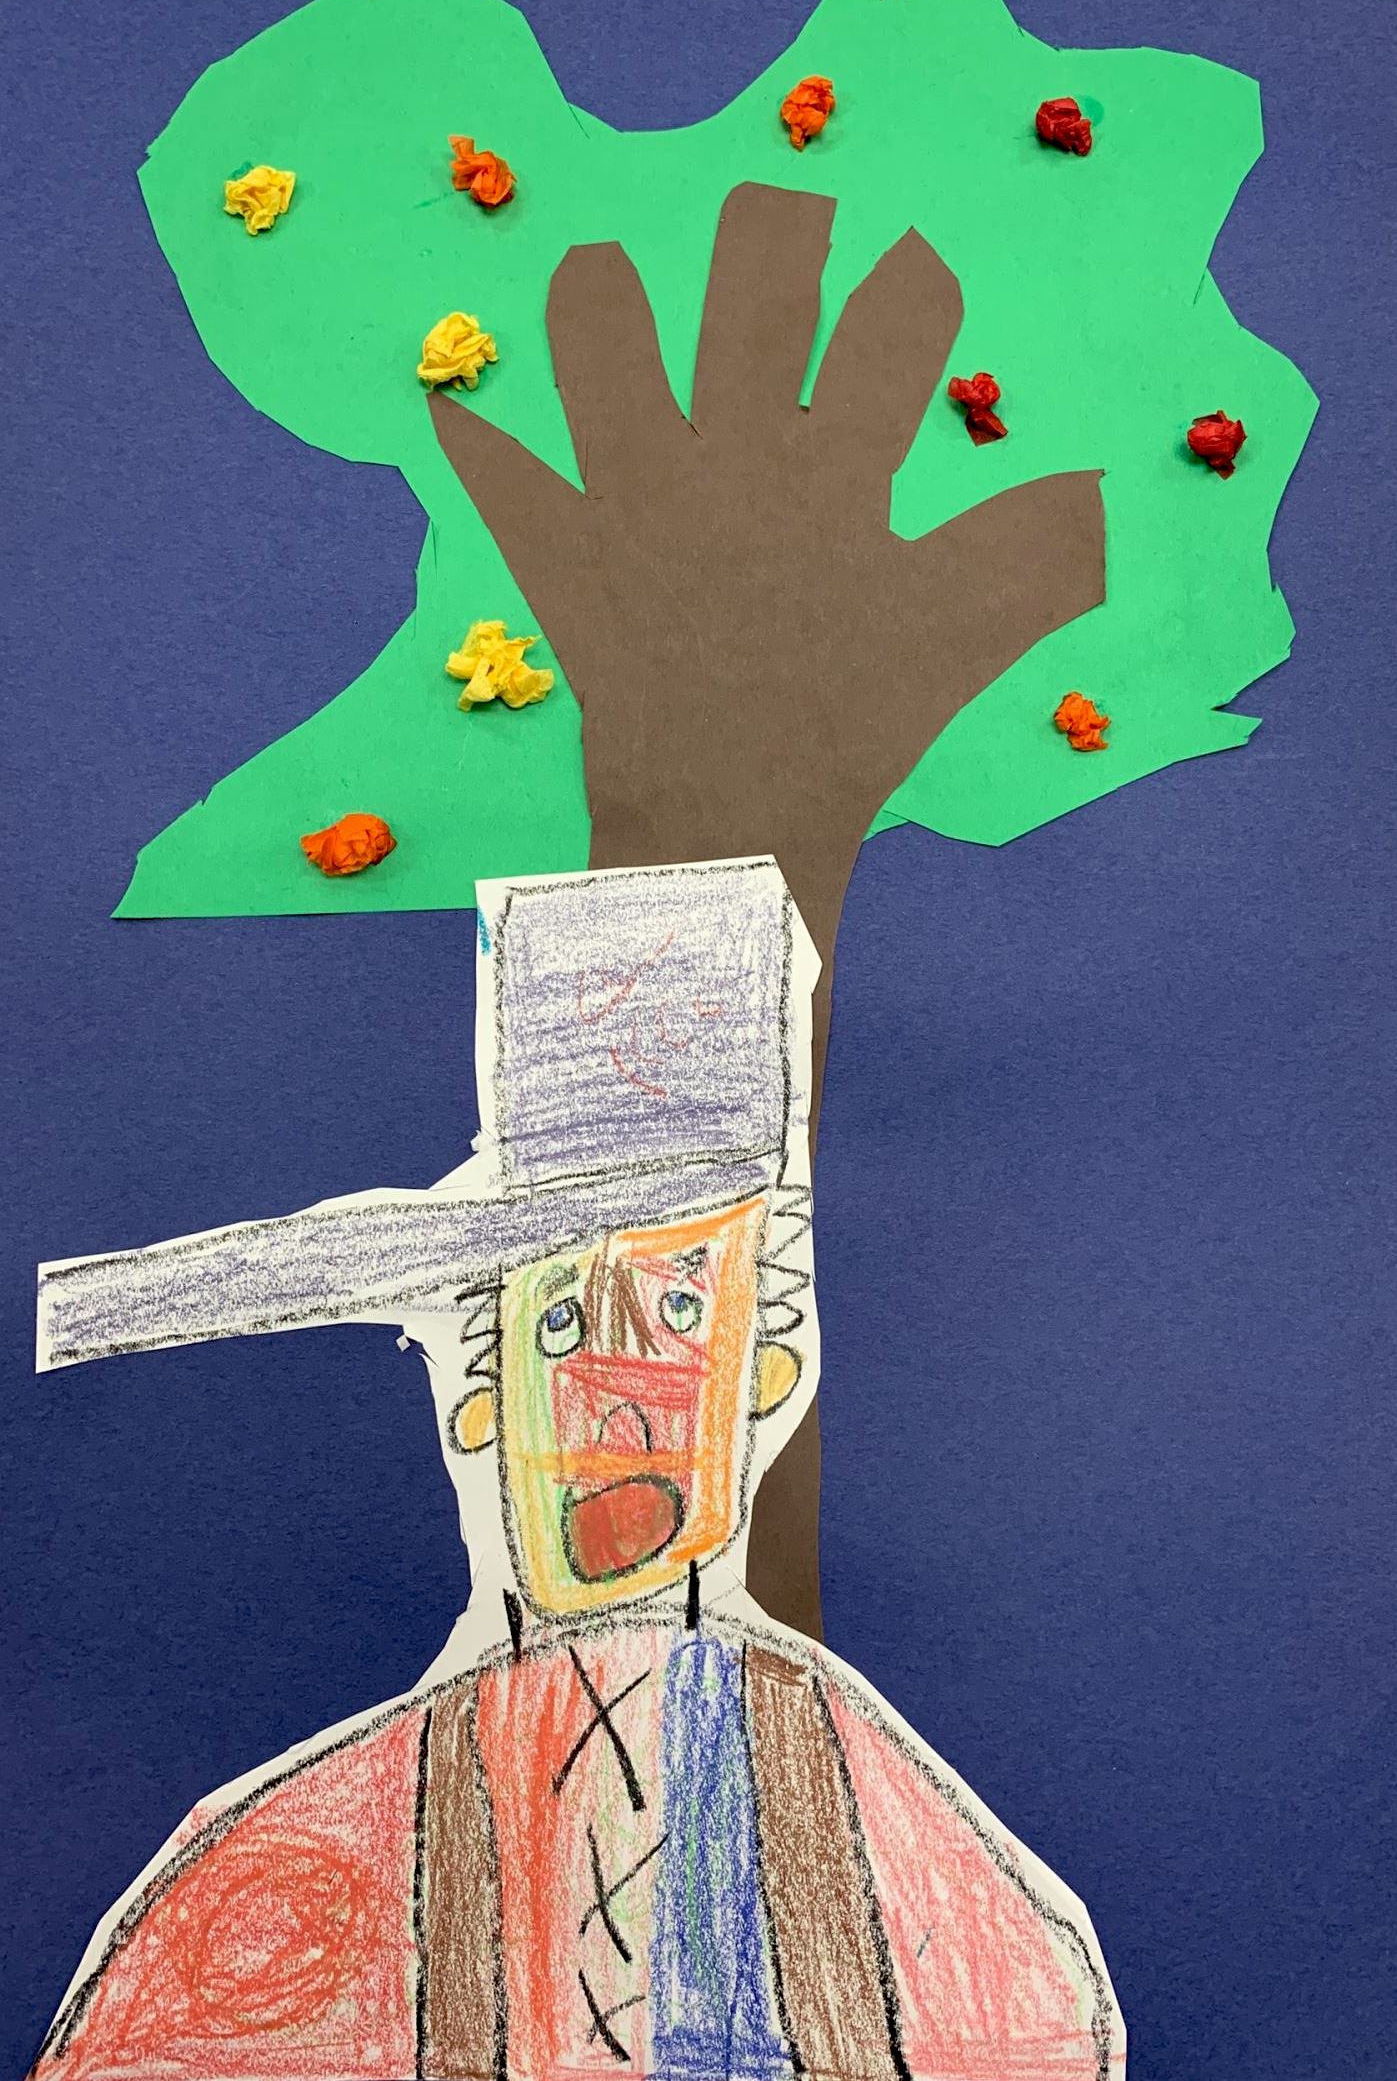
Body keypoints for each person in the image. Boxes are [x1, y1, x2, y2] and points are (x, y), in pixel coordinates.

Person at [32, 861, 1124, 2080]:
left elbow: (1036, 2034)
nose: (617, 1393)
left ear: (757, 1378)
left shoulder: (866, 1825)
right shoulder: (310, 1862)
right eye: (561, 1325)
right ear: (482, 1407)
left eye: (676, 1310)